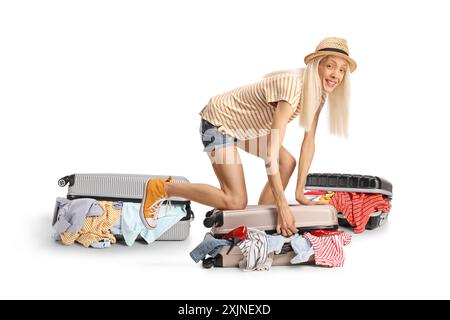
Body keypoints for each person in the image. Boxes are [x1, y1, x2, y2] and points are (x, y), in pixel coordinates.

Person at [140, 37, 357, 236]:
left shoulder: (318, 95)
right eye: (330, 66)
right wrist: (282, 205)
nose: (336, 75)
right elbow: (271, 152)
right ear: (315, 65)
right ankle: (161, 188)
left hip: (246, 129)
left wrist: (299, 193)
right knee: (235, 200)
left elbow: (309, 142)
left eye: (341, 70)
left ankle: (261, 222)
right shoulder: (293, 87)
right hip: (218, 123)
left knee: (287, 163)